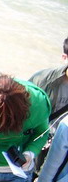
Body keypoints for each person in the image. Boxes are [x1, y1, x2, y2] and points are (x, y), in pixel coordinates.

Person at [29, 36, 68, 173]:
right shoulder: (43, 79)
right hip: (38, 139)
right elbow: (23, 110)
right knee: (29, 174)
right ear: (64, 57)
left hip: (63, 145)